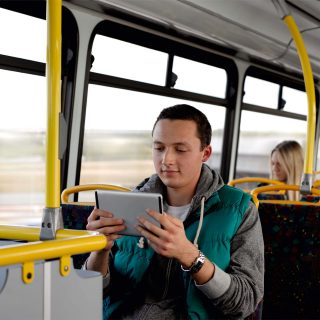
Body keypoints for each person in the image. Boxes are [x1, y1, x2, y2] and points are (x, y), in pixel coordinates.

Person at [85, 104, 264, 319]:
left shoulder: (239, 209)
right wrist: (99, 250)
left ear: (205, 153)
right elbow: (91, 294)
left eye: (180, 149)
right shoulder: (130, 204)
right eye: (159, 148)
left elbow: (245, 302)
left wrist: (189, 255)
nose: (166, 160)